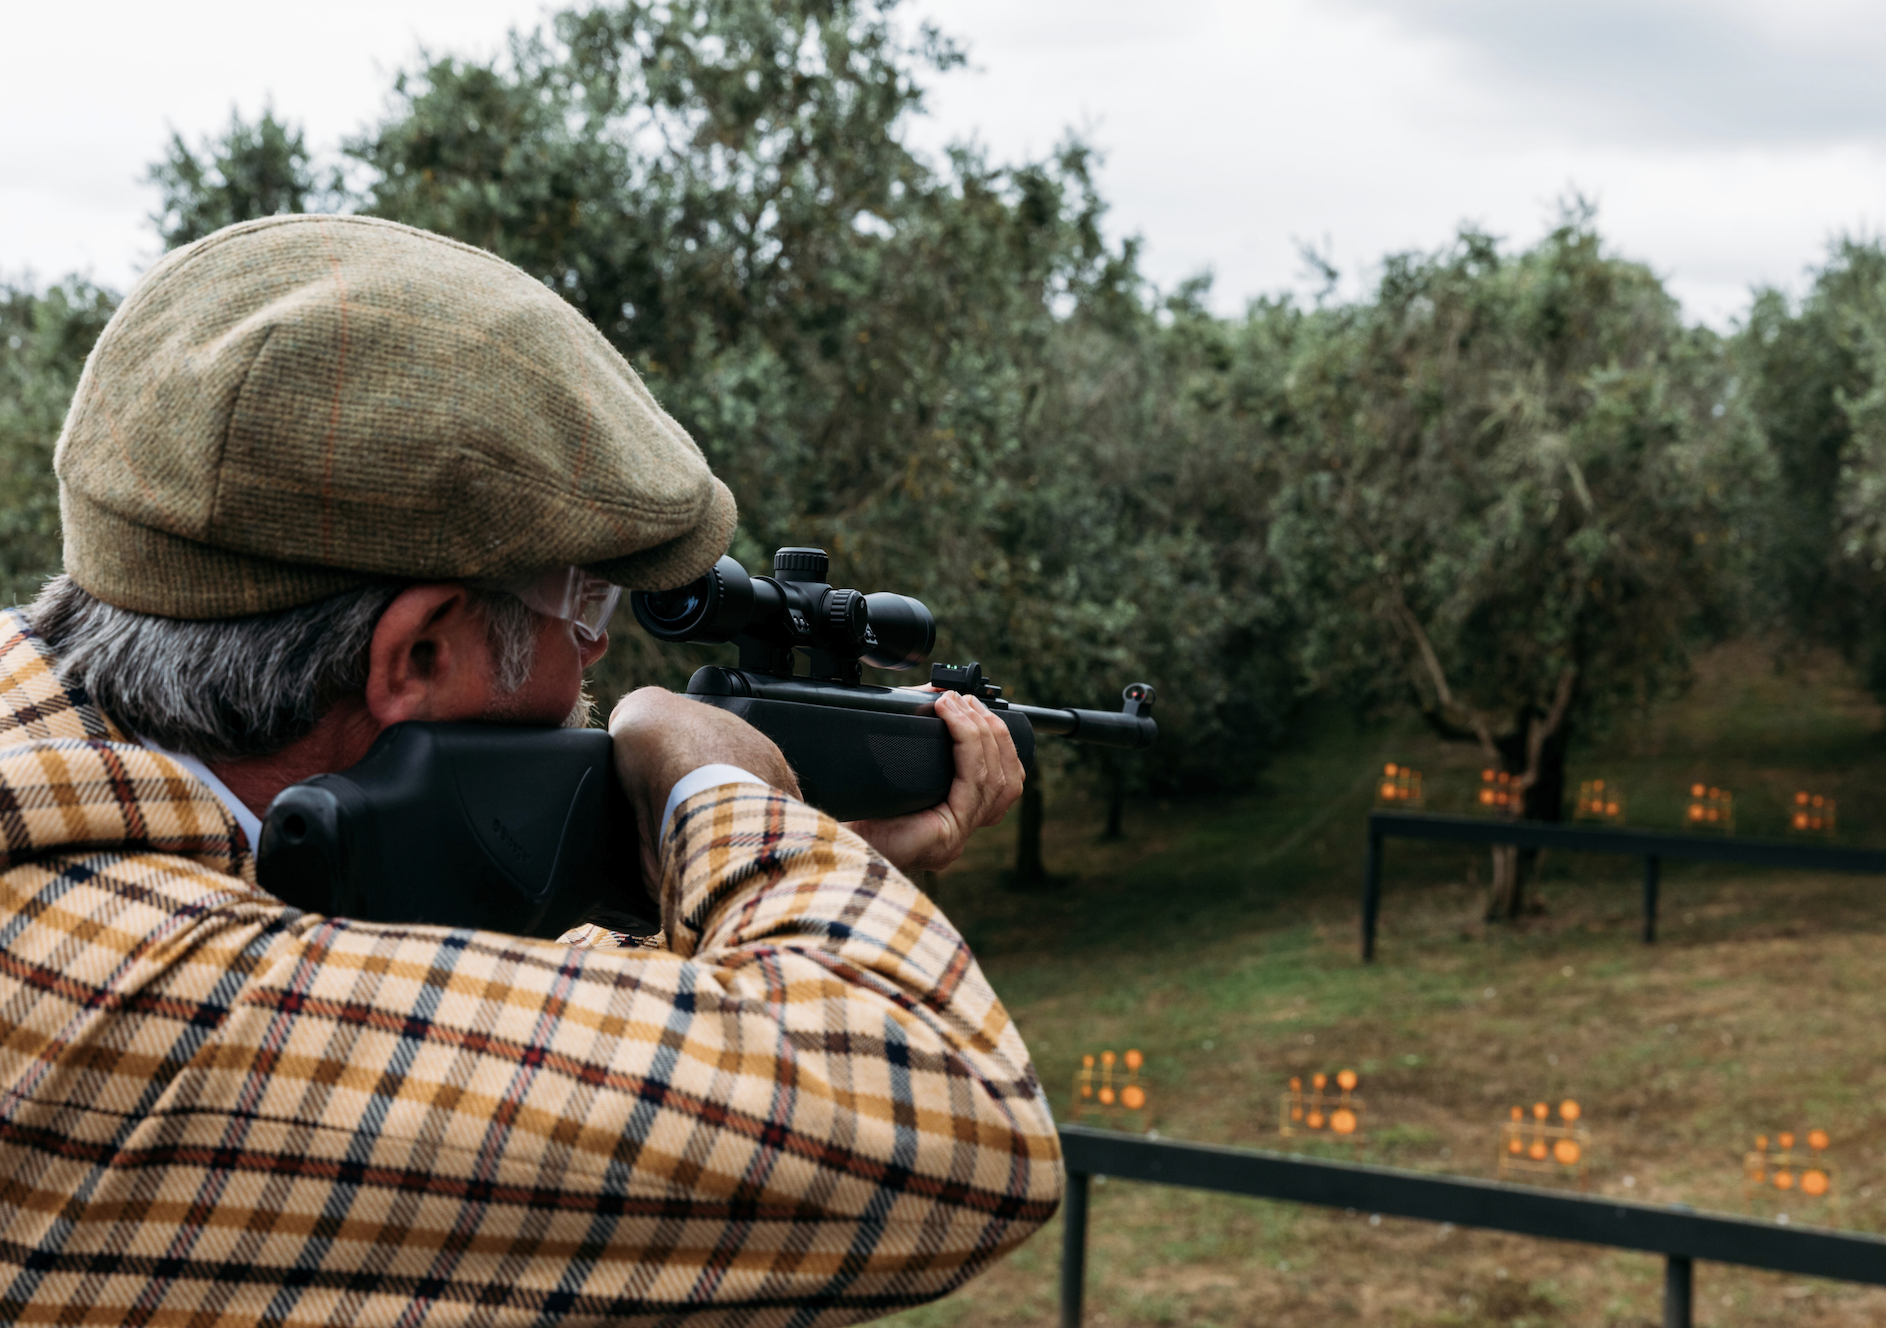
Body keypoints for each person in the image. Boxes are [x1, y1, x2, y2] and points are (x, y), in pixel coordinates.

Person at [0, 215, 1061, 1325]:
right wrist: (726, 796)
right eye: (587, 602)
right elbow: (954, 1117)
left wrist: (745, 882)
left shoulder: (79, 815)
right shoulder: (139, 999)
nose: (600, 648)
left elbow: (421, 1013)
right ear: (417, 651)